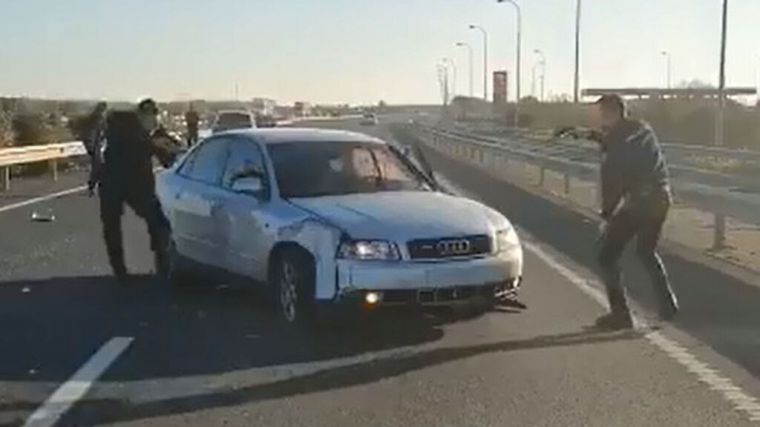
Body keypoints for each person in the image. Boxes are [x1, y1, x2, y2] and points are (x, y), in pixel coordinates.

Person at [590, 94, 679, 330]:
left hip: (640, 203)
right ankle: (668, 305)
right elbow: (631, 148)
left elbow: (613, 180)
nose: (599, 118)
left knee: (606, 255)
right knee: (646, 251)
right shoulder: (642, 129)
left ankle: (620, 315)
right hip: (661, 198)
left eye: (602, 113)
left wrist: (607, 215)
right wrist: (602, 139)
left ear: (613, 113)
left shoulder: (616, 142)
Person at [98, 98, 180, 283]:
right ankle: (123, 271)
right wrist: (159, 147)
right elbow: (160, 155)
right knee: (115, 226)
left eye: (153, 116)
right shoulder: (128, 131)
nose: (151, 121)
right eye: (148, 117)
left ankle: (158, 265)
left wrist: (169, 149)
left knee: (157, 224)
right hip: (121, 183)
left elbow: (167, 159)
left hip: (131, 184)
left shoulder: (150, 133)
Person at [83, 102, 108, 196]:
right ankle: (92, 187)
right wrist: (91, 147)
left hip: (100, 147)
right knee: (97, 169)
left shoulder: (101, 120)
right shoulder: (97, 120)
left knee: (99, 169)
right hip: (97, 148)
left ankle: (95, 187)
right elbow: (92, 135)